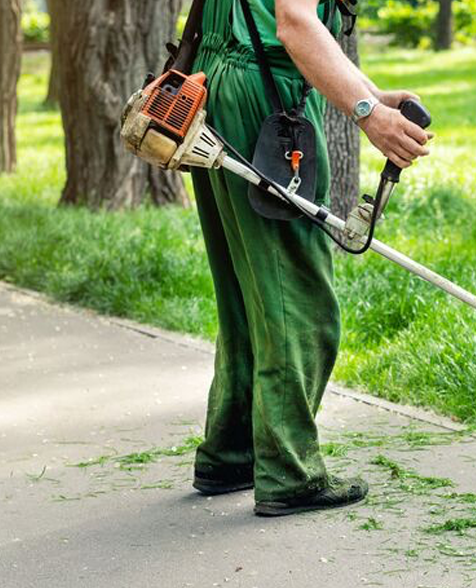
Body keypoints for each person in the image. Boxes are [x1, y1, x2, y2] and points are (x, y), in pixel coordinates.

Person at [187, 0, 431, 517]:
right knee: (297, 298)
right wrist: (368, 115)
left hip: (216, 88)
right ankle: (288, 473)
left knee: (246, 291)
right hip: (266, 103)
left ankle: (231, 454)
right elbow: (294, 24)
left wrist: (370, 94)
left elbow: (280, 24)